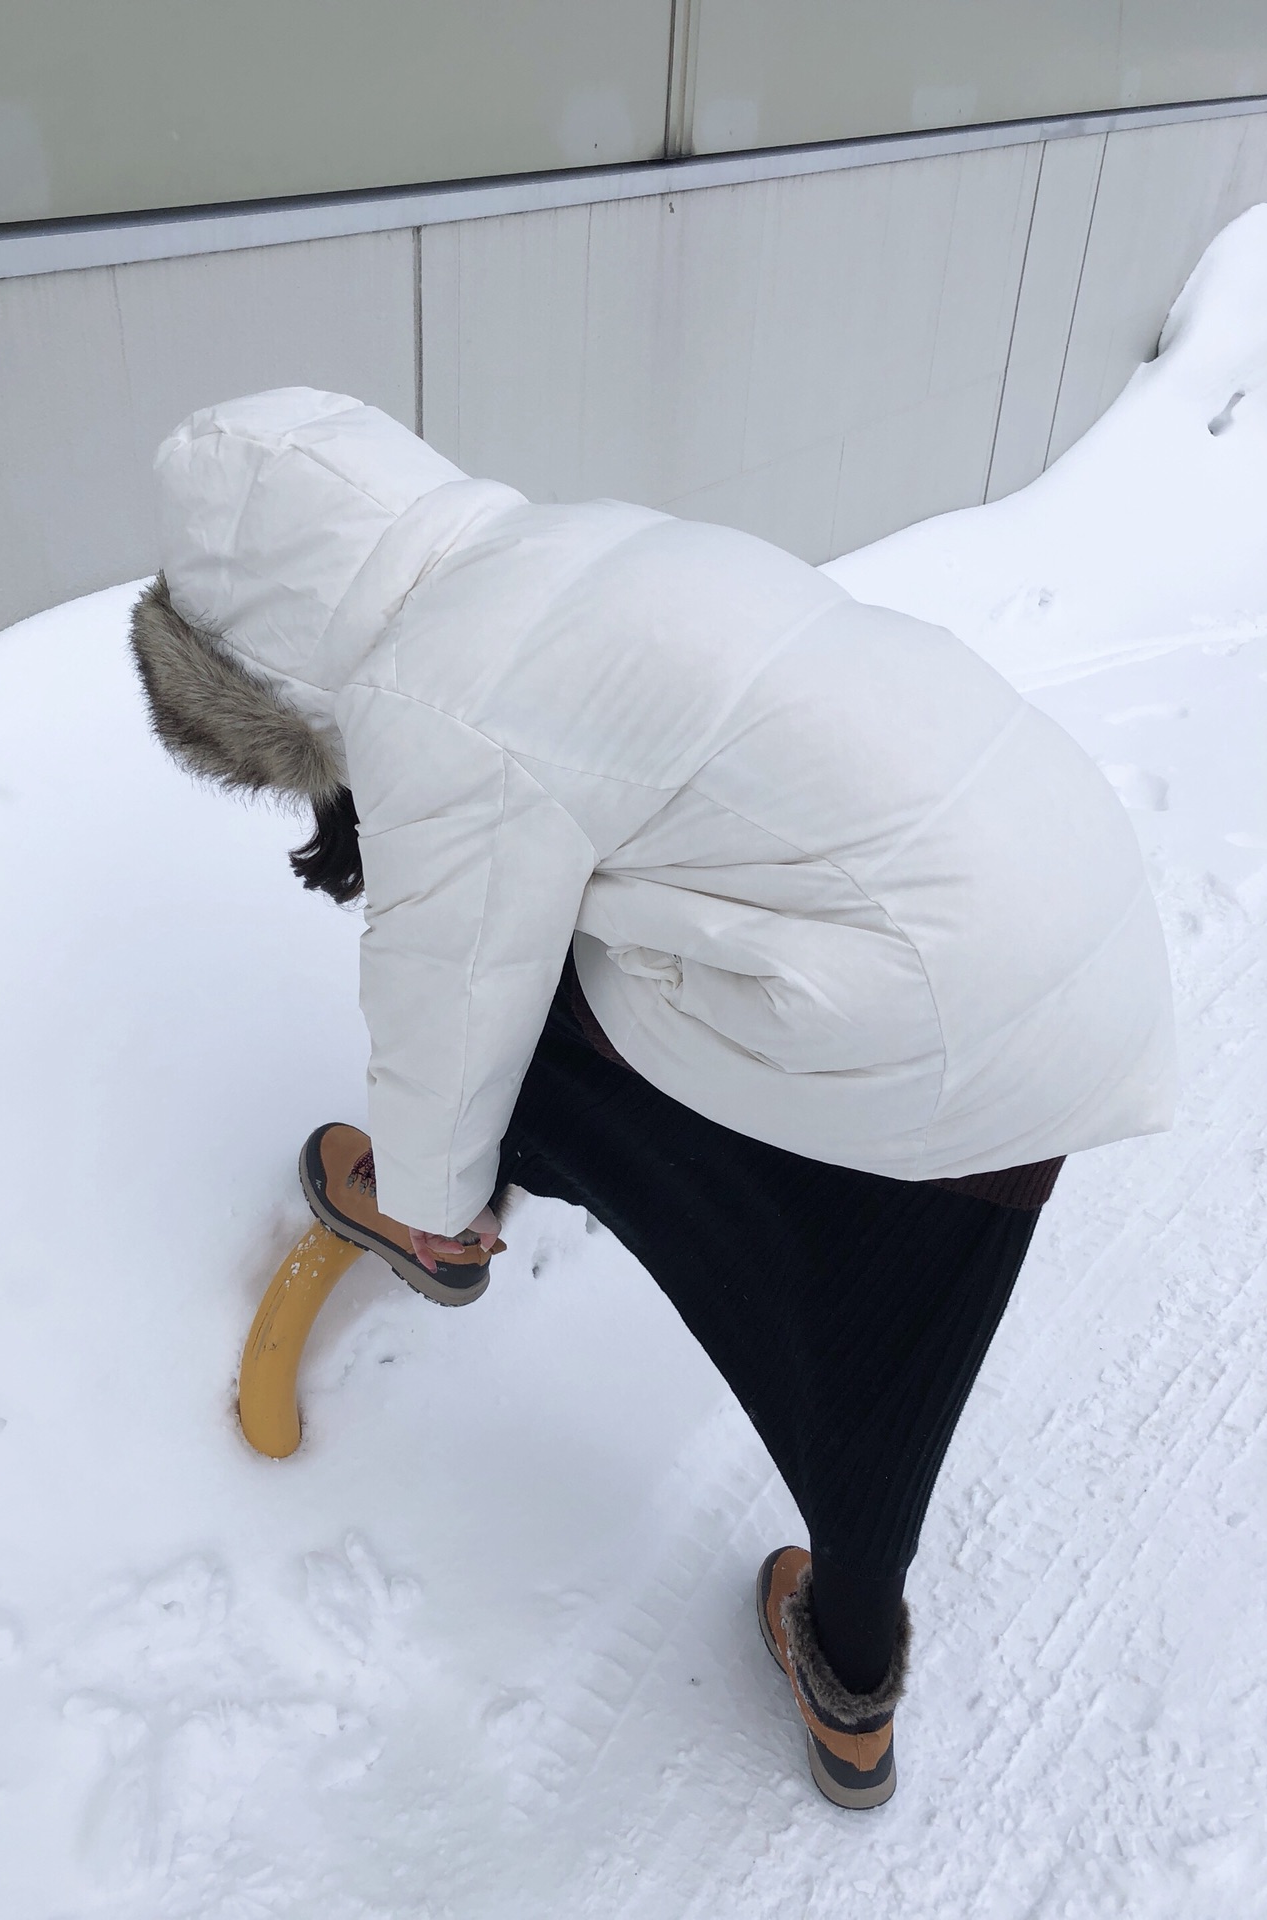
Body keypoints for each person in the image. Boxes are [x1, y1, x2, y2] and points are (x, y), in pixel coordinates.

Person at [129, 386, 1175, 1808]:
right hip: (1069, 941)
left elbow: (449, 988)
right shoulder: (573, 547)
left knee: (533, 1012)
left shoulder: (434, 691)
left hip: (928, 1003)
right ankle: (849, 1673)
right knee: (901, 1266)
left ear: (255, 660)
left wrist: (431, 1199)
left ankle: (483, 1180)